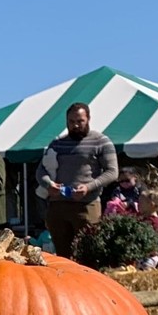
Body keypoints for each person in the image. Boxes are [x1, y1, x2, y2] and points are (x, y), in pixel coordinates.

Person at [35, 102, 117, 259]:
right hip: (58, 205)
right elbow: (41, 170)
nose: (76, 125)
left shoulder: (101, 141)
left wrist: (89, 187)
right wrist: (48, 184)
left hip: (86, 205)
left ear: (88, 119)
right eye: (71, 122)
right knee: (62, 257)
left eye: (80, 121)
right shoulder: (57, 143)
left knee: (89, 255)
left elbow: (112, 172)